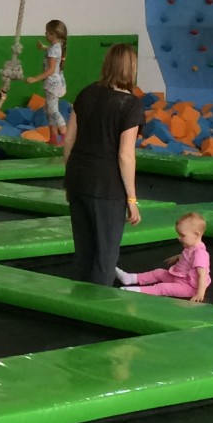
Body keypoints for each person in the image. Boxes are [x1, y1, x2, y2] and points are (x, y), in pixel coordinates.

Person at [61, 42, 143, 285]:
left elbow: (69, 140)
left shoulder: (86, 93)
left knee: (84, 252)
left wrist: (70, 177)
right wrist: (132, 199)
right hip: (107, 186)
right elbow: (125, 155)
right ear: (131, 68)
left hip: (78, 178)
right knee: (105, 257)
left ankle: (79, 302)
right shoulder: (130, 104)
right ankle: (98, 303)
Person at [117, 212, 211, 302]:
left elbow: (202, 275)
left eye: (182, 235)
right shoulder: (190, 247)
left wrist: (200, 293)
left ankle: (137, 291)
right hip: (178, 277)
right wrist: (178, 257)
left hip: (189, 287)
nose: (179, 238)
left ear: (196, 234)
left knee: (163, 288)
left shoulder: (200, 253)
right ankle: (130, 278)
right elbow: (189, 258)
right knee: (158, 272)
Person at [24, 20, 68, 145]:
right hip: (54, 83)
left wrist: (35, 78)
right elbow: (53, 52)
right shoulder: (57, 45)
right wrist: (43, 47)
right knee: (49, 111)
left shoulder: (54, 49)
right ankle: (53, 137)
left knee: (53, 111)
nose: (45, 34)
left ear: (53, 35)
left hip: (52, 84)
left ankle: (65, 137)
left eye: (47, 32)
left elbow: (51, 70)